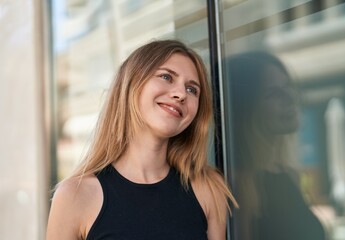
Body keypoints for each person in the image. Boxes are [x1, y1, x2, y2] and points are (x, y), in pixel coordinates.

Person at [46, 39, 237, 240]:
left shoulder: (208, 188)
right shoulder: (75, 195)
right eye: (166, 77)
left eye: (192, 89)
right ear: (131, 85)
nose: (181, 94)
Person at [227, 52, 326, 240]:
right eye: (273, 93)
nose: (289, 98)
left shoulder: (289, 174)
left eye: (288, 87)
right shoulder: (240, 184)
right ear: (247, 107)